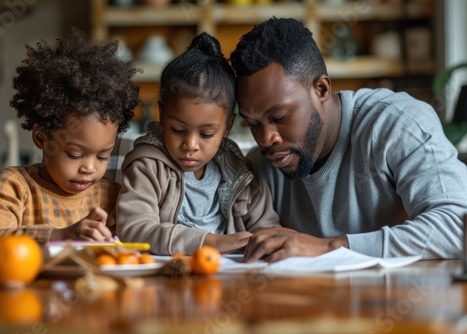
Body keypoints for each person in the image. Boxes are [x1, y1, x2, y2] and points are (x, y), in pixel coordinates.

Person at [230, 18, 467, 262]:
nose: (266, 138)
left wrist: (328, 247)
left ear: (321, 89)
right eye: (253, 124)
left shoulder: (397, 123)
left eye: (279, 116)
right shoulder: (261, 165)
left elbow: (457, 225)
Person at [117, 32, 280, 255]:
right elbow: (134, 230)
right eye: (179, 130)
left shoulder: (240, 173)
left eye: (206, 134)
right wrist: (209, 242)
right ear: (162, 114)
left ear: (227, 127)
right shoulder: (148, 168)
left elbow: (269, 230)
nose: (190, 145)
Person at [0, 28, 140, 245]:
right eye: (74, 154)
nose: (90, 168)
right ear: (42, 139)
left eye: (102, 156)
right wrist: (60, 235)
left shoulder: (111, 196)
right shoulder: (16, 186)